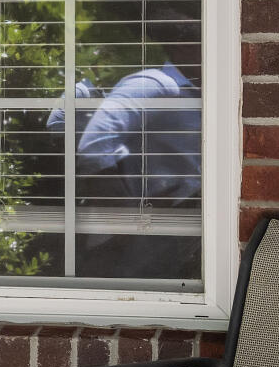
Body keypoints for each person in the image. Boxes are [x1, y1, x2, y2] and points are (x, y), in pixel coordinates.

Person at [73, 16, 203, 281]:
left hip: (171, 233)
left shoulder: (200, 94)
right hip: (133, 243)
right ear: (183, 47)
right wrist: (129, 225)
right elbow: (93, 148)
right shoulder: (155, 85)